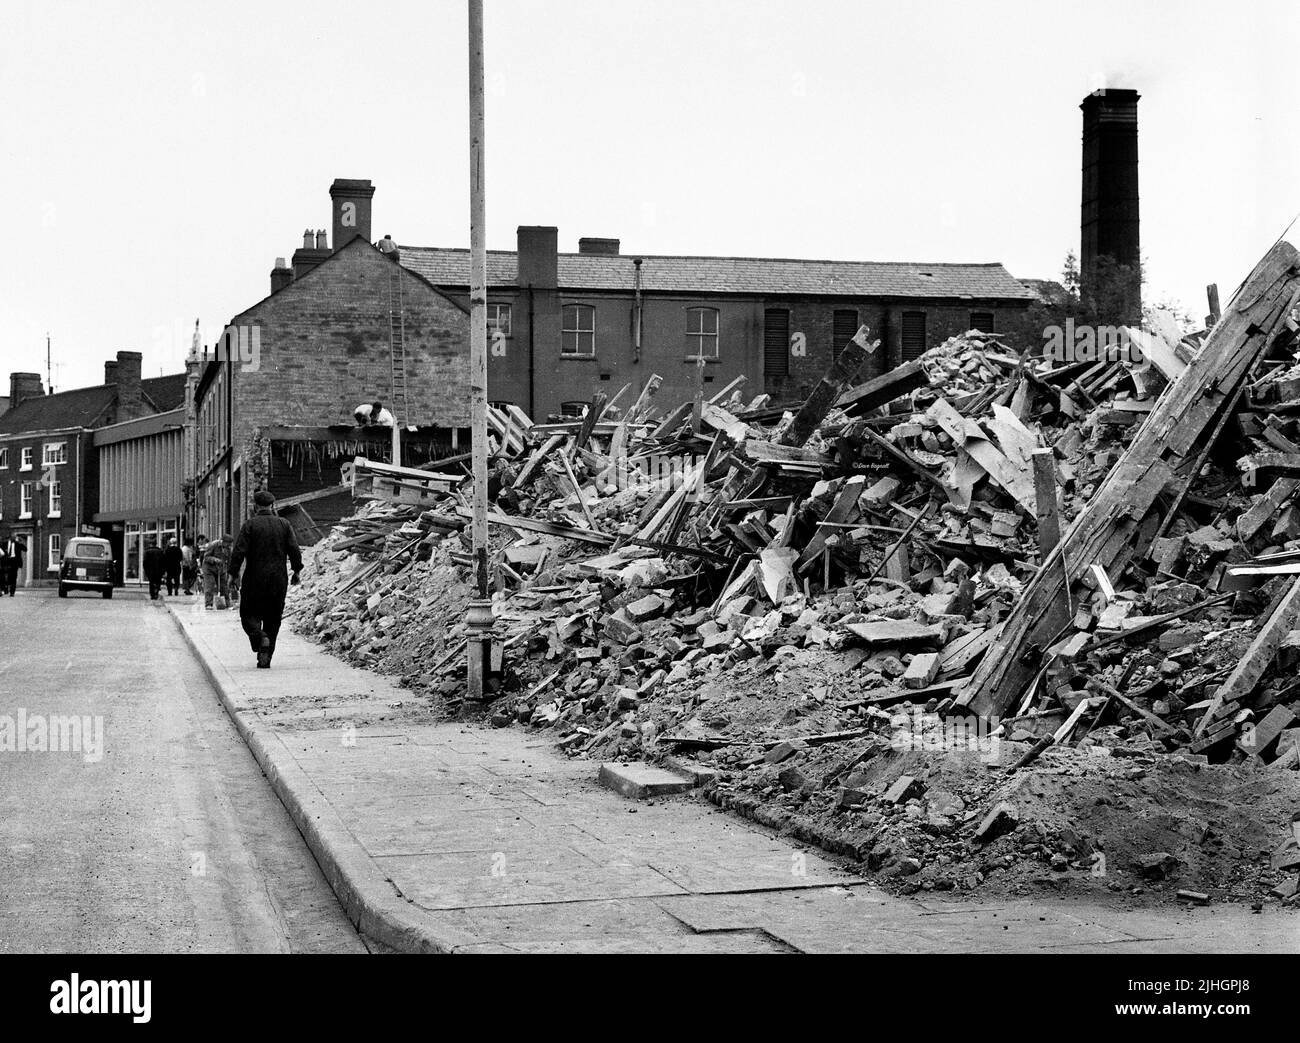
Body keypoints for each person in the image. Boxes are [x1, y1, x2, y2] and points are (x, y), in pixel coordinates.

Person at [229, 490, 302, 669]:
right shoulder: (284, 525)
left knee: (248, 615)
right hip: (278, 579)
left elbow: (238, 551)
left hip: (254, 579)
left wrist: (233, 574)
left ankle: (260, 638)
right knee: (273, 618)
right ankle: (266, 658)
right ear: (273, 505)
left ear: (255, 506)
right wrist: (296, 571)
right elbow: (294, 549)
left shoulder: (249, 525)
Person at [202, 534, 232, 609]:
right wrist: (215, 560)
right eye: (228, 543)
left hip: (220, 569)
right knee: (210, 585)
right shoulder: (213, 545)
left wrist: (229, 571)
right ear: (223, 541)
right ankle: (208, 604)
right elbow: (206, 557)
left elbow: (229, 560)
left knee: (224, 586)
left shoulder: (228, 549)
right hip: (209, 569)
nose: (229, 545)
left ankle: (227, 603)